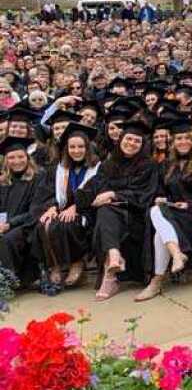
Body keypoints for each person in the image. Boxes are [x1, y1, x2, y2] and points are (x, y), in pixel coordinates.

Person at [78, 120, 160, 301]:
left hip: (137, 217)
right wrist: (92, 199)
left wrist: (115, 194)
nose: (131, 143)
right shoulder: (108, 165)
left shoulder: (149, 165)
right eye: (128, 139)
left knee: (106, 212)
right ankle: (113, 259)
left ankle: (111, 273)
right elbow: (92, 188)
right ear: (121, 139)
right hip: (111, 217)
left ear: (142, 145)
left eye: (137, 141)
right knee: (105, 211)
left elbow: (145, 195)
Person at [135, 118, 192, 301]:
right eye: (178, 138)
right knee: (156, 210)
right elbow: (160, 191)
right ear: (173, 142)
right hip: (172, 215)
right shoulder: (166, 165)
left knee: (157, 217)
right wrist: (162, 198)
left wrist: (191, 204)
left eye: (186, 138)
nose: (183, 142)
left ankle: (157, 282)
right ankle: (176, 255)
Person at [32, 123, 98, 291]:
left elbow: (96, 193)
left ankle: (77, 263)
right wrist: (52, 207)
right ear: (66, 148)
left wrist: (77, 207)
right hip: (61, 209)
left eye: (81, 146)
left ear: (87, 148)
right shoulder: (58, 169)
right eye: (72, 147)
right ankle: (54, 265)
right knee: (44, 224)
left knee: (68, 223)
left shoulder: (97, 167)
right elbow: (47, 194)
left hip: (88, 211)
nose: (76, 150)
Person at [0, 137, 41, 288]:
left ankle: (6, 283)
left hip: (28, 226)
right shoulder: (2, 182)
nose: (17, 161)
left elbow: (36, 210)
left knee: (6, 240)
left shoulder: (38, 178)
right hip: (4, 225)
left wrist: (10, 224)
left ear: (27, 158)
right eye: (11, 157)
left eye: (20, 156)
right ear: (6, 161)